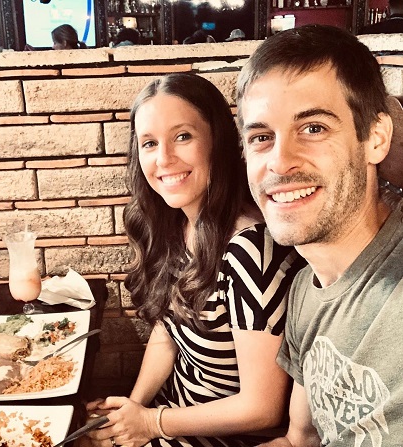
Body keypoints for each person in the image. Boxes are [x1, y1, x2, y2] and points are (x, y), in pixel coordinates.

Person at [82, 73, 306, 447]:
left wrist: (152, 423)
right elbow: (168, 332)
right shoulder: (177, 224)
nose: (164, 158)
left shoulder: (249, 251)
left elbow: (262, 407)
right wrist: (130, 412)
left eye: (182, 136)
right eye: (150, 143)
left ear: (217, 141)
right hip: (171, 414)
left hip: (219, 436)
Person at [236, 24, 403, 446]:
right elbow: (299, 440)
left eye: (313, 128)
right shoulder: (304, 294)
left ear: (376, 138)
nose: (280, 162)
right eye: (261, 137)